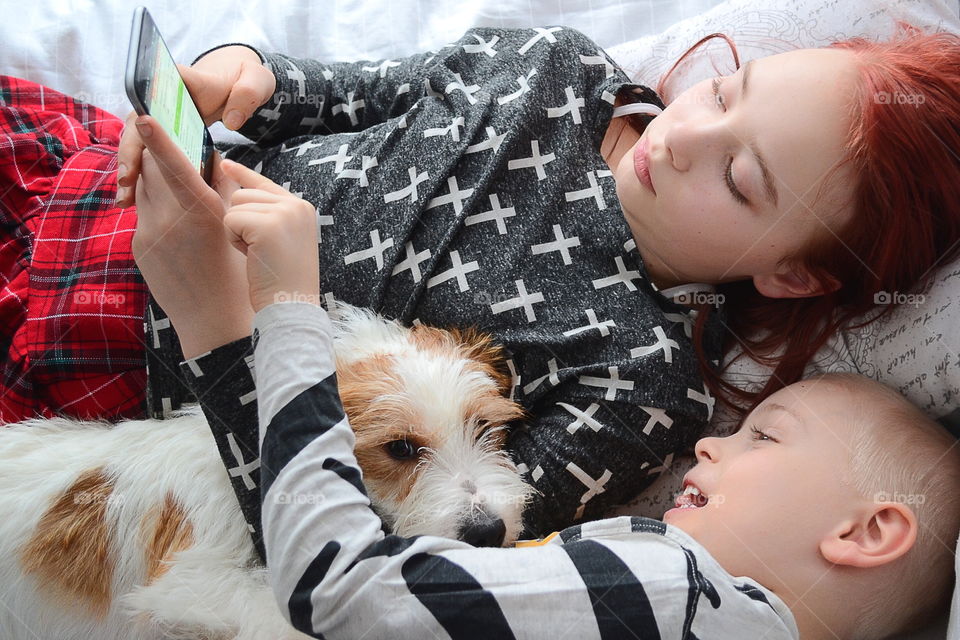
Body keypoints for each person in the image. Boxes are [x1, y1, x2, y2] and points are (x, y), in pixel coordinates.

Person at [2, 22, 959, 549]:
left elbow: (440, 536)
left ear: (790, 273)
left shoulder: (643, 383)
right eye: (724, 93)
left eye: (740, 180)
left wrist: (272, 313)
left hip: (116, 351)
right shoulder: (554, 67)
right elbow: (335, 91)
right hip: (87, 171)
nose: (687, 135)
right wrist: (241, 75)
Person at [167, 165, 960, 638]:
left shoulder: (673, 584)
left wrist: (285, 313)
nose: (711, 444)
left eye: (766, 439)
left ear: (869, 530)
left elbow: (342, 591)